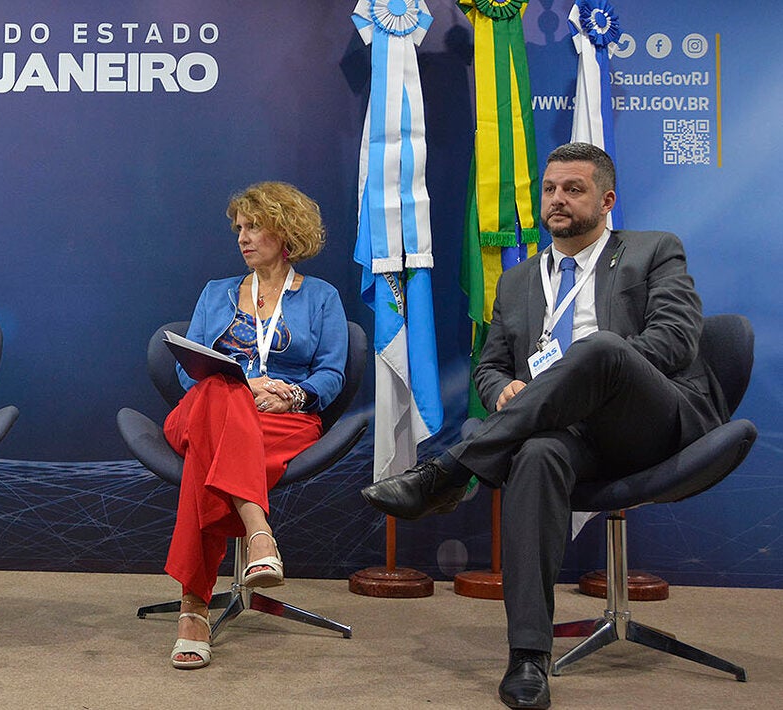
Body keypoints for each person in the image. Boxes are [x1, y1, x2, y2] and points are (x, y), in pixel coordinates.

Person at [361, 142, 729, 709]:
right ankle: (528, 657)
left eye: (574, 189)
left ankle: (452, 469)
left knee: (599, 349)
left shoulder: (653, 251)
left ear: (606, 200)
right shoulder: (519, 280)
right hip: (570, 437)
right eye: (550, 189)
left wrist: (578, 373)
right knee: (536, 456)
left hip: (651, 421)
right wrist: (505, 390)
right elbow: (490, 367)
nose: (558, 199)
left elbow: (675, 343)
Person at [162, 181, 348, 670]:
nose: (243, 237)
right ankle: (258, 531)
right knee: (220, 392)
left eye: (254, 226)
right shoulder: (216, 292)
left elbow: (331, 372)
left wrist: (293, 393)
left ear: (285, 231)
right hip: (207, 409)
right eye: (239, 228)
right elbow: (189, 368)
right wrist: (243, 387)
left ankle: (193, 611)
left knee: (206, 460)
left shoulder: (322, 297)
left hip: (282, 420)